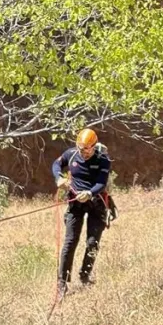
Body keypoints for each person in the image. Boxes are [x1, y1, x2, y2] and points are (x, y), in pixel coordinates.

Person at [52, 128, 111, 298]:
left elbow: (101, 182)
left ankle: (85, 275)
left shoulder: (103, 159)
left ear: (94, 146)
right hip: (75, 203)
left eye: (87, 149)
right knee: (70, 241)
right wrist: (59, 178)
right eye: (81, 149)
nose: (83, 153)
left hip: (96, 203)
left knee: (92, 242)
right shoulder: (71, 154)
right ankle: (62, 283)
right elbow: (56, 164)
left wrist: (90, 193)